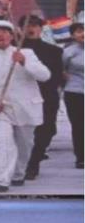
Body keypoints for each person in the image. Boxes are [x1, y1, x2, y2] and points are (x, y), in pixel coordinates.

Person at [0, 20, 50, 192]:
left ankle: (18, 173)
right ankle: (1, 180)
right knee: (3, 142)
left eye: (4, 31)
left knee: (25, 145)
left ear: (12, 36)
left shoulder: (26, 53)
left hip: (26, 108)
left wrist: (25, 62)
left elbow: (45, 75)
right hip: (0, 109)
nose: (0, 35)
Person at [19, 15, 65, 180]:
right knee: (23, 133)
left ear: (41, 28)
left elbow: (57, 76)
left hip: (47, 96)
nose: (30, 29)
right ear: (20, 29)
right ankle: (27, 164)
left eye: (34, 25)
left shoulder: (54, 51)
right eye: (27, 25)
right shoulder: (15, 50)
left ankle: (35, 160)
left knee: (47, 130)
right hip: (22, 96)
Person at [62, 22, 84, 169]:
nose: (83, 34)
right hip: (75, 92)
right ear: (72, 35)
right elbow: (60, 69)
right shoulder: (68, 52)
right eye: (79, 31)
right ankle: (81, 157)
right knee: (79, 126)